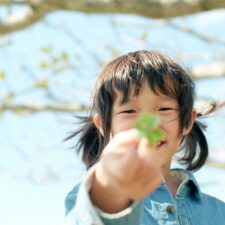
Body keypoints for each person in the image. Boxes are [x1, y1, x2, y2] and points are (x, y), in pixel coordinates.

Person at [64, 50, 225, 225]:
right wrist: (109, 188)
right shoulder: (92, 196)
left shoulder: (218, 211)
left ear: (187, 121)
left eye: (164, 109)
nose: (148, 124)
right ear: (103, 125)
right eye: (129, 111)